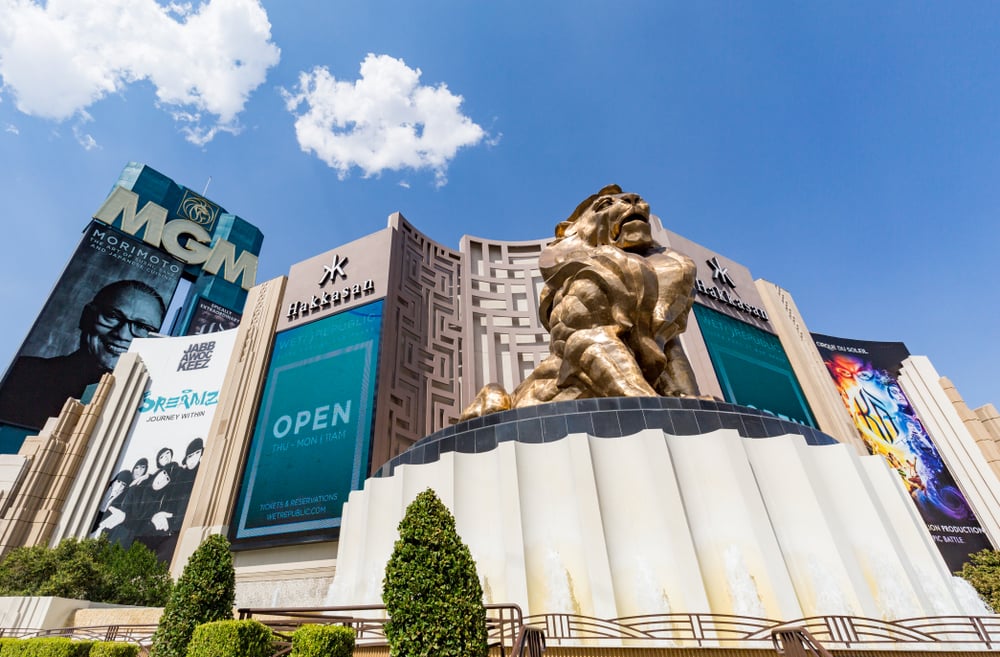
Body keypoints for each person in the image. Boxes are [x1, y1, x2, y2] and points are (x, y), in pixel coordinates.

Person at [0, 280, 166, 430]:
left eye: (142, 327)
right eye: (112, 316)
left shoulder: (149, 406)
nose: (122, 334)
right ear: (86, 316)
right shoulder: (25, 374)